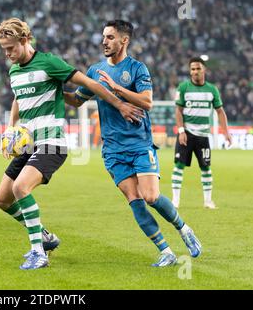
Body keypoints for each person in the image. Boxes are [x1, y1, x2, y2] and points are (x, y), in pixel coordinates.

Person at [0, 17, 143, 270]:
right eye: (4, 49)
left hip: (52, 143)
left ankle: (37, 252)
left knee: (20, 188)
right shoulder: (14, 71)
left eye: (11, 48)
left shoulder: (49, 62)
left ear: (25, 40)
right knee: (1, 199)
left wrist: (119, 104)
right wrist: (10, 128)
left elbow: (90, 84)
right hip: (29, 143)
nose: (7, 54)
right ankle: (45, 237)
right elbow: (18, 98)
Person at [64, 20, 202, 267]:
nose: (104, 42)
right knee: (134, 199)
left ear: (124, 40)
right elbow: (76, 100)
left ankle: (183, 228)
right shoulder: (95, 71)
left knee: (150, 196)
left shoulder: (138, 68)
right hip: (113, 150)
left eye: (110, 37)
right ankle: (166, 251)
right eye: (103, 37)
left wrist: (116, 88)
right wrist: (52, 91)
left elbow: (147, 102)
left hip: (139, 143)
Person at [171, 57, 232, 209]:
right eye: (192, 69)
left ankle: (208, 201)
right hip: (186, 134)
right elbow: (178, 111)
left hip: (203, 136)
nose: (195, 72)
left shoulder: (212, 90)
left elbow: (220, 112)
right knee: (178, 166)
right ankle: (175, 201)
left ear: (204, 70)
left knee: (205, 167)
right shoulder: (183, 87)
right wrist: (181, 130)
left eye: (198, 68)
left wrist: (226, 132)